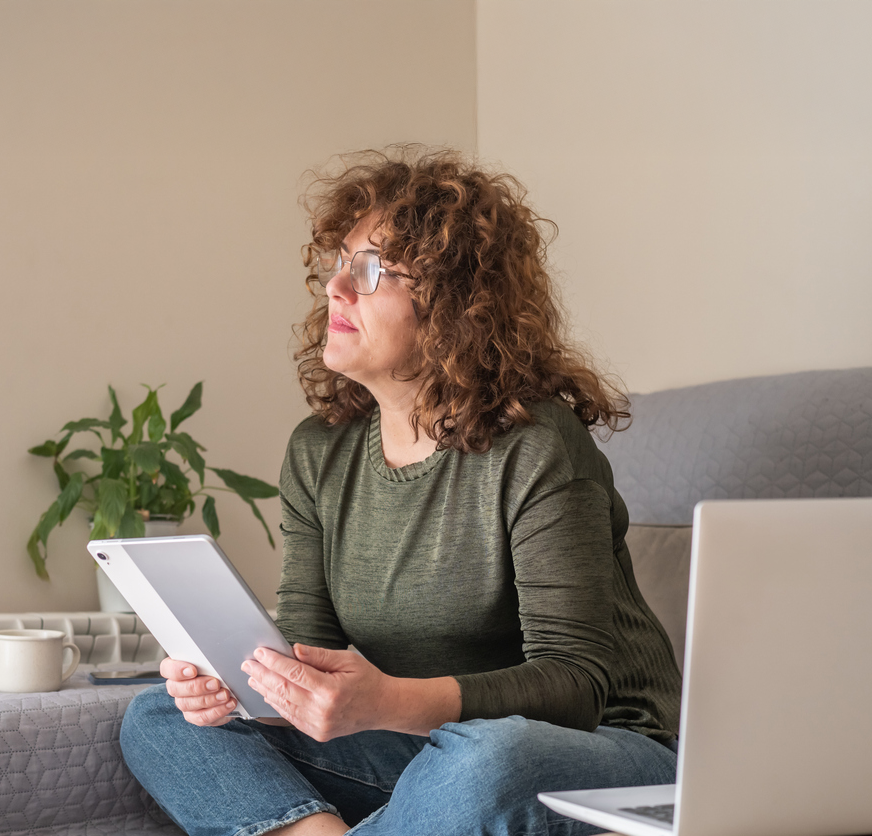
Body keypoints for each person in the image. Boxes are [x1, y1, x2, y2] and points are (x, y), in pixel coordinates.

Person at [120, 147, 683, 836]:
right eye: (338, 265)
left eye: (369, 269)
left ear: (457, 304)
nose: (336, 289)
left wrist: (388, 701)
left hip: (600, 747)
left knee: (488, 756)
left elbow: (574, 685)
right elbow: (305, 647)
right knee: (155, 717)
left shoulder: (537, 446)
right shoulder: (318, 452)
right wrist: (239, 689)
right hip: (427, 747)